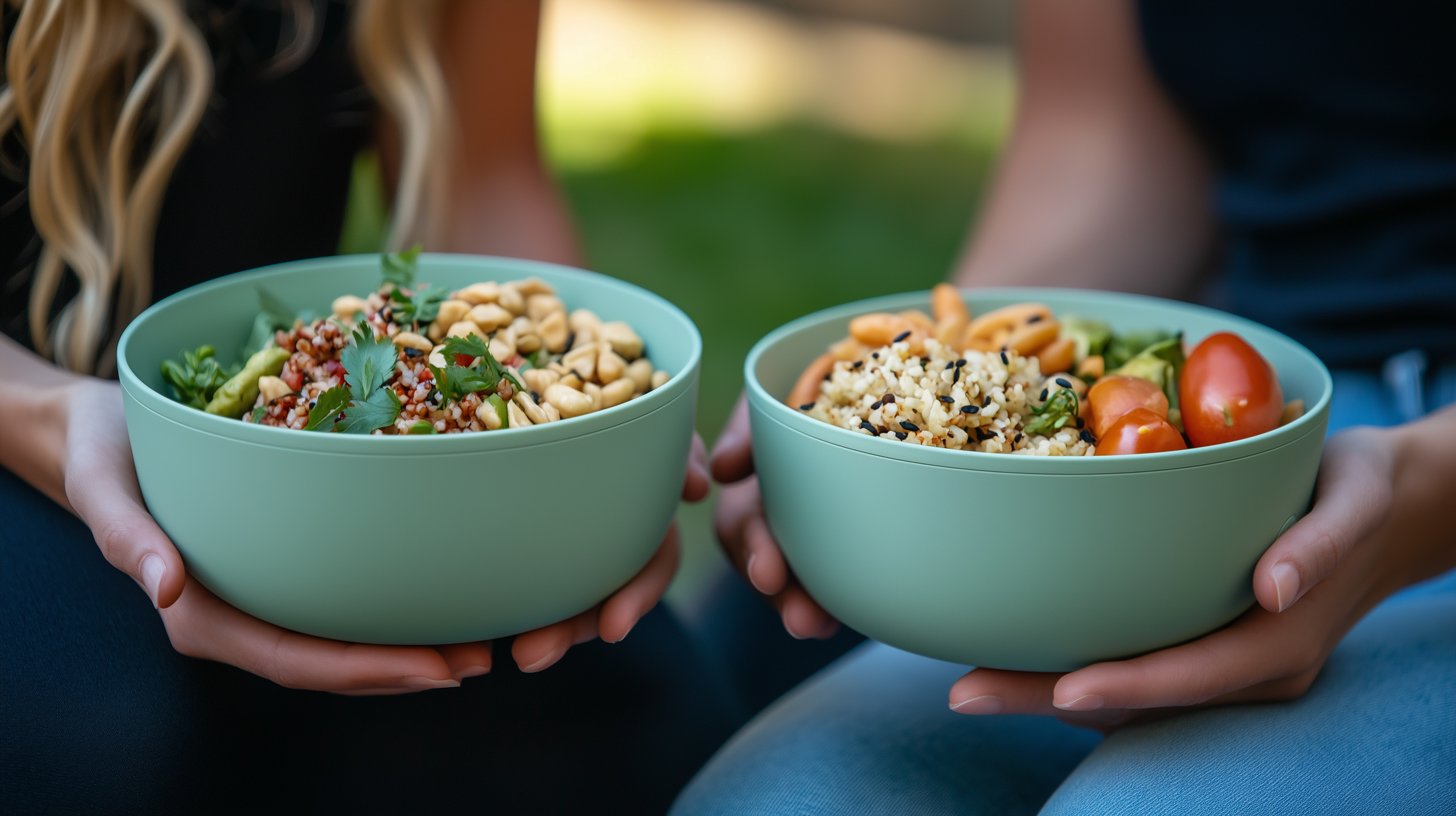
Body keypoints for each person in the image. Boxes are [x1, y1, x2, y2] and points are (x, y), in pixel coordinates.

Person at [679, 1, 1456, 813]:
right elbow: (1099, 137)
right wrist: (909, 381)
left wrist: (1427, 502)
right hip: (1234, 422)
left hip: (1341, 468)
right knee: (778, 798)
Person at [0, 2, 741, 811]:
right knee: (96, 733)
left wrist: (587, 440)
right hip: (23, 421)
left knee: (622, 718)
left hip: (326, 447)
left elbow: (486, 172)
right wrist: (52, 416)